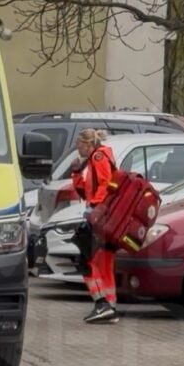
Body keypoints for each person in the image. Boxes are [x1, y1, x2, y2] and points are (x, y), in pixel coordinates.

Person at [70, 128, 119, 324]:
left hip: (98, 216)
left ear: (88, 144)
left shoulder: (98, 157)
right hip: (107, 217)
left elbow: (105, 185)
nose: (77, 149)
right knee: (104, 263)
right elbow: (85, 189)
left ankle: (101, 303)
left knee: (87, 260)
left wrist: (95, 210)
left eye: (79, 145)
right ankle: (110, 305)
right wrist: (76, 173)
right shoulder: (99, 158)